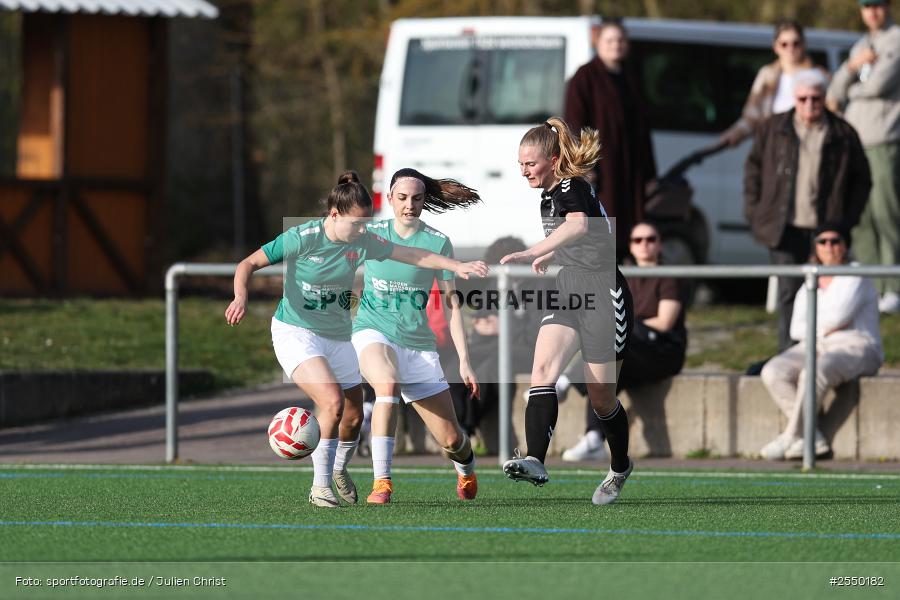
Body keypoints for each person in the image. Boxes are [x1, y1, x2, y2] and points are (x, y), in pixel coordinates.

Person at [225, 171, 487, 508]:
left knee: (360, 419)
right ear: (336, 215)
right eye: (358, 224)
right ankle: (339, 486)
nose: (364, 231)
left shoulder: (366, 239)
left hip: (350, 337)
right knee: (345, 398)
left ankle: (340, 469)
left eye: (366, 224)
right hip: (310, 331)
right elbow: (248, 263)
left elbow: (412, 256)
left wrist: (456, 265)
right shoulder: (303, 237)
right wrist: (240, 297)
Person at [500, 116, 635, 506]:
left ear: (554, 159)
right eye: (520, 163)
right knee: (541, 370)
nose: (524, 170)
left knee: (602, 398)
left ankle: (621, 465)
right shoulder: (551, 193)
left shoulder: (570, 184)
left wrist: (533, 252)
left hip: (603, 291)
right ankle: (535, 460)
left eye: (531, 163)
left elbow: (578, 224)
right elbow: (587, 232)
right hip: (569, 287)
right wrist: (555, 255)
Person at [352, 168, 483, 504]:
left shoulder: (437, 242)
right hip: (372, 330)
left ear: (425, 201)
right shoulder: (371, 233)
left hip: (418, 346)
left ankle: (466, 470)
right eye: (402, 197)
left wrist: (465, 361)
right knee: (386, 383)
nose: (409, 204)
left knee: (452, 440)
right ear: (390, 198)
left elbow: (453, 306)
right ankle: (382, 483)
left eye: (417, 198)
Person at [744, 68, 871, 352]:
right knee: (790, 292)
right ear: (794, 98)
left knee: (830, 293)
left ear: (825, 98)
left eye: (816, 98)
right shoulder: (773, 128)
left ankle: (823, 352)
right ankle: (789, 354)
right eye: (803, 99)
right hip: (784, 226)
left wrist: (846, 220)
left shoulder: (842, 132)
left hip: (825, 228)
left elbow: (862, 179)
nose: (809, 104)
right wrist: (754, 211)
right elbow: (752, 169)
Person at [561, 222, 687, 461]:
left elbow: (664, 323)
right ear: (630, 246)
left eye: (650, 239)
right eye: (638, 240)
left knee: (618, 335)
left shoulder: (668, 276)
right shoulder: (623, 275)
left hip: (662, 351)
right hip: (633, 351)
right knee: (603, 372)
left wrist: (627, 324)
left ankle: (566, 381)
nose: (644, 245)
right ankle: (594, 439)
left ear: (659, 244)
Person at [759, 222, 883, 460]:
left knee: (814, 371)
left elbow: (840, 315)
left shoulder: (855, 273)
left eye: (835, 241)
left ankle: (790, 436)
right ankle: (811, 436)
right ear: (815, 247)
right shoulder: (811, 277)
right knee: (773, 371)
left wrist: (819, 325)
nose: (829, 247)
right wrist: (826, 329)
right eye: (822, 242)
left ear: (845, 246)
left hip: (857, 345)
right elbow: (797, 328)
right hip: (815, 344)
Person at [826, 0, 900, 314]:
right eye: (867, 6)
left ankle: (894, 284)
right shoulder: (861, 44)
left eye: (878, 5)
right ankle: (871, 287)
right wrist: (853, 67)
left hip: (884, 139)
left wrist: (853, 83)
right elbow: (834, 90)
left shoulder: (895, 39)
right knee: (861, 218)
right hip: (856, 142)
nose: (872, 12)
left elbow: (878, 86)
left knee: (887, 213)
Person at [564, 20, 657, 261]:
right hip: (602, 170)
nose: (616, 45)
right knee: (605, 224)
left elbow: (643, 128)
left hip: (631, 170)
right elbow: (574, 124)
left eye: (620, 41)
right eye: (610, 41)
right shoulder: (585, 77)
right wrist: (583, 166)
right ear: (599, 44)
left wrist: (649, 172)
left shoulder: (631, 77)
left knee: (632, 229)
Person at [719, 20, 829, 148]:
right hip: (773, 147)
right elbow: (751, 117)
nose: (790, 48)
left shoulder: (819, 77)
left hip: (808, 147)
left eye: (796, 43)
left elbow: (832, 114)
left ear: (804, 44)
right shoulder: (767, 76)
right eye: (784, 44)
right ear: (776, 47)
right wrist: (735, 134)